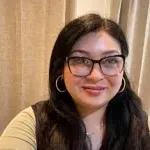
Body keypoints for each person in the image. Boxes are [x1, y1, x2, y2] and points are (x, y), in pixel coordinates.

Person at [0, 13, 149, 150]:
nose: (95, 76)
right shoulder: (32, 124)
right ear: (61, 69)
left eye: (110, 60)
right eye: (80, 60)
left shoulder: (143, 126)